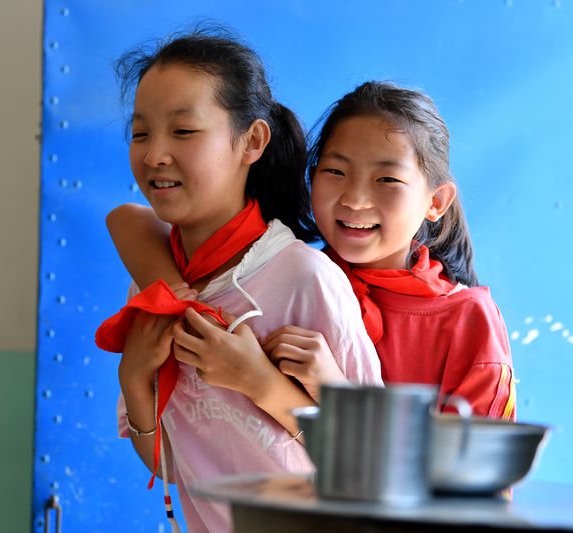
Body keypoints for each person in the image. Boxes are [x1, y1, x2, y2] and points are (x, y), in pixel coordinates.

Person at [95, 29, 382, 533]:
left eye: (183, 131)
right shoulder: (152, 286)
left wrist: (261, 383)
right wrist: (133, 378)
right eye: (140, 134)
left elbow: (377, 467)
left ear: (252, 141)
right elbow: (172, 466)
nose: (155, 154)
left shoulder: (305, 279)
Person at [108, 80, 515, 422]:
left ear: (436, 201)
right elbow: (130, 221)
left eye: (387, 179)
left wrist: (331, 390)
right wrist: (178, 302)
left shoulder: (468, 321)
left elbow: (471, 478)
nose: (354, 199)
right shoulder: (292, 277)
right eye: (335, 171)